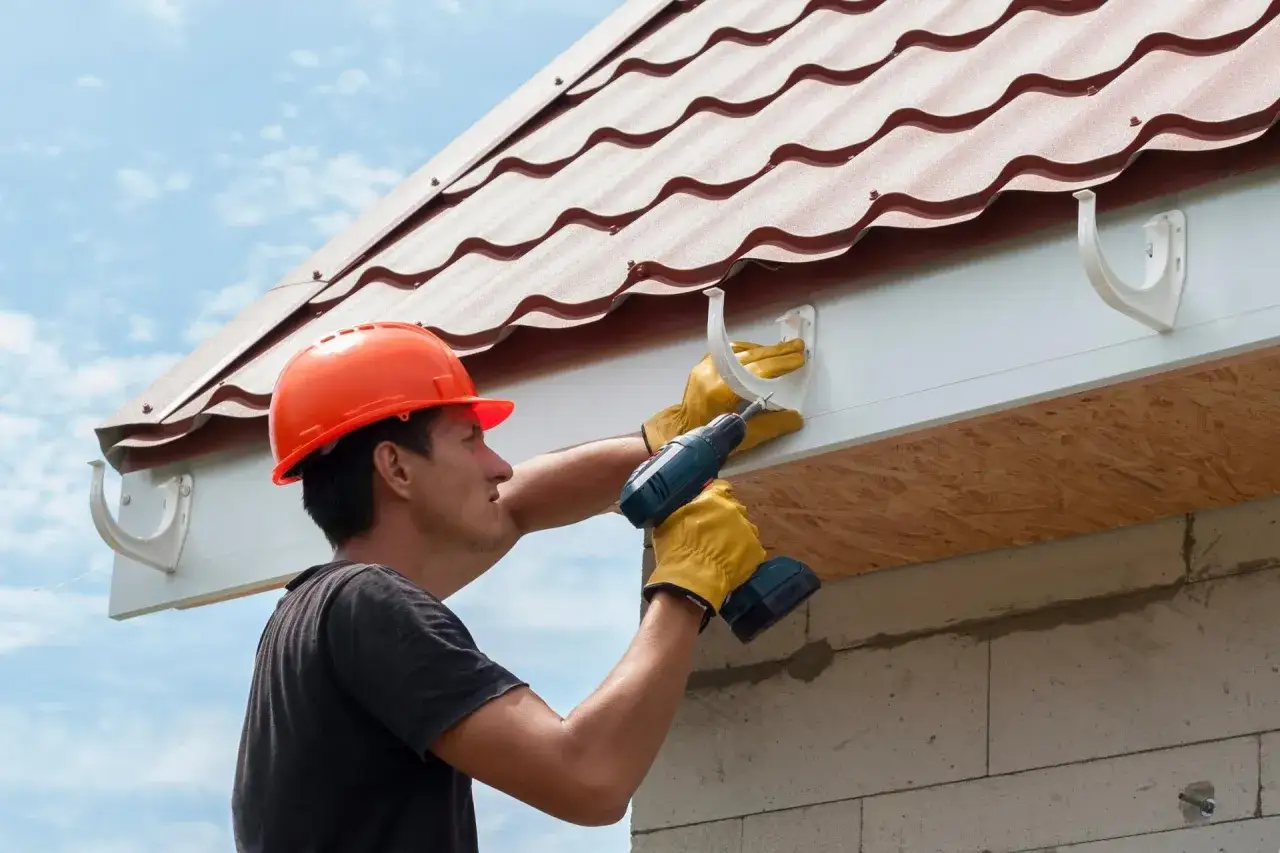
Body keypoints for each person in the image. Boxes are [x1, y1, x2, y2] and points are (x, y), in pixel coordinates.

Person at [230, 320, 806, 852]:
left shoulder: (313, 617)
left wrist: (677, 441)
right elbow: (588, 777)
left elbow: (517, 507)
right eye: (468, 441)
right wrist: (688, 584)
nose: (499, 465)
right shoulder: (367, 605)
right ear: (396, 468)